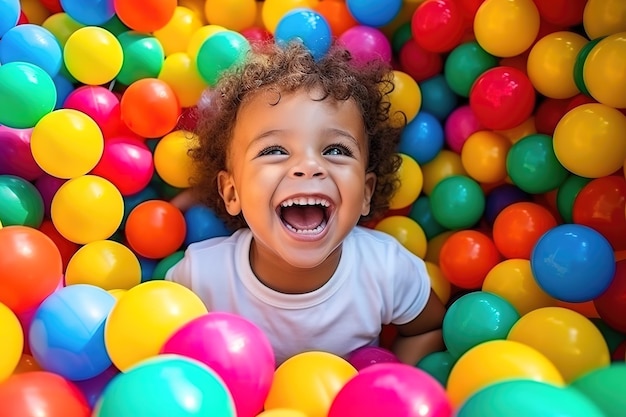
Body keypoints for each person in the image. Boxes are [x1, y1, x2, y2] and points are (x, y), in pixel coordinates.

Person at [166, 40, 446, 367]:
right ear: (232, 194)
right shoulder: (200, 278)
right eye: (274, 151)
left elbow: (428, 328)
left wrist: (386, 384)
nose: (309, 166)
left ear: (366, 192)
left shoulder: (385, 269)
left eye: (336, 150)